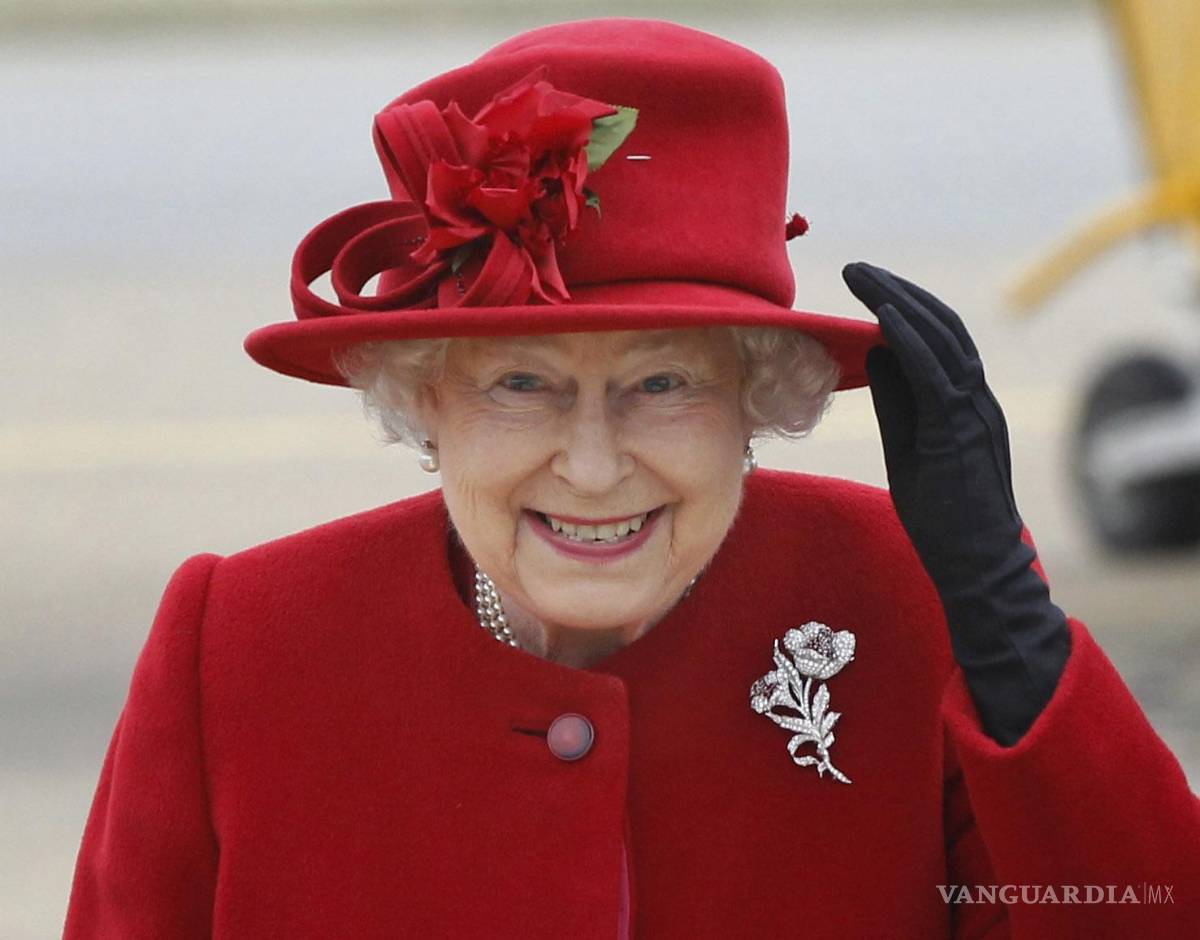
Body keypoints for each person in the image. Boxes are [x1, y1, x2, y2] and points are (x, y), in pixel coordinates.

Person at [63, 17, 1198, 939]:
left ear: (757, 401)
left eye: (664, 383)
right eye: (520, 383)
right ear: (425, 401)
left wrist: (1014, 639)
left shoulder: (909, 603)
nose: (595, 464)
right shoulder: (241, 646)